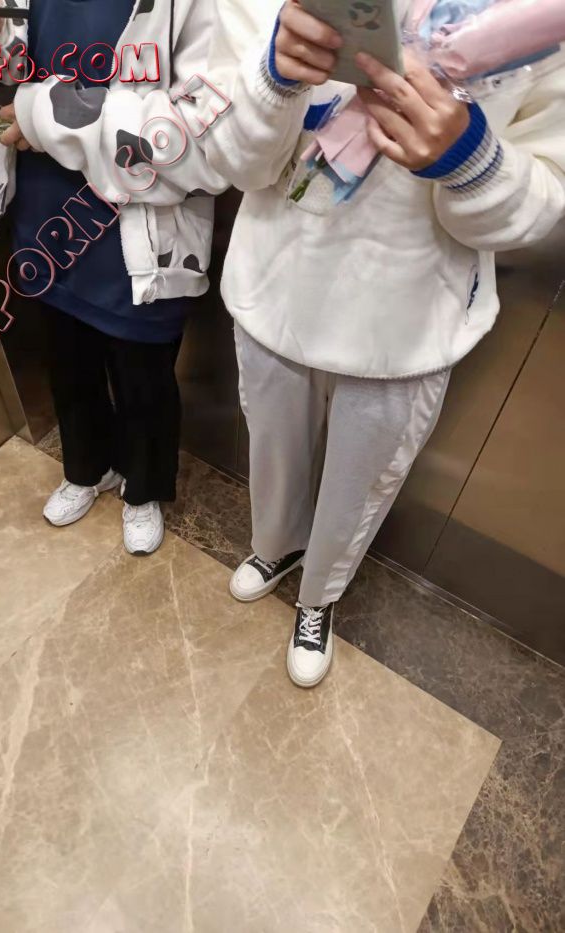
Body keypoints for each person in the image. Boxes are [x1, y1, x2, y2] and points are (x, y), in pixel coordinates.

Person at [203, 0, 565, 686]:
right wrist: (273, 81)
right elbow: (233, 158)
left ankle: (319, 595)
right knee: (272, 450)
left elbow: (545, 195)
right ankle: (276, 546)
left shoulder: (538, 14)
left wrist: (472, 161)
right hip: (275, 282)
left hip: (409, 314)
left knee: (361, 481)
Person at [0, 0, 227, 555]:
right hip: (49, 206)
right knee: (68, 360)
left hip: (139, 218)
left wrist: (46, 114)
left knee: (143, 375)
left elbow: (197, 125)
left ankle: (143, 488)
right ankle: (87, 468)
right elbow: (7, 84)